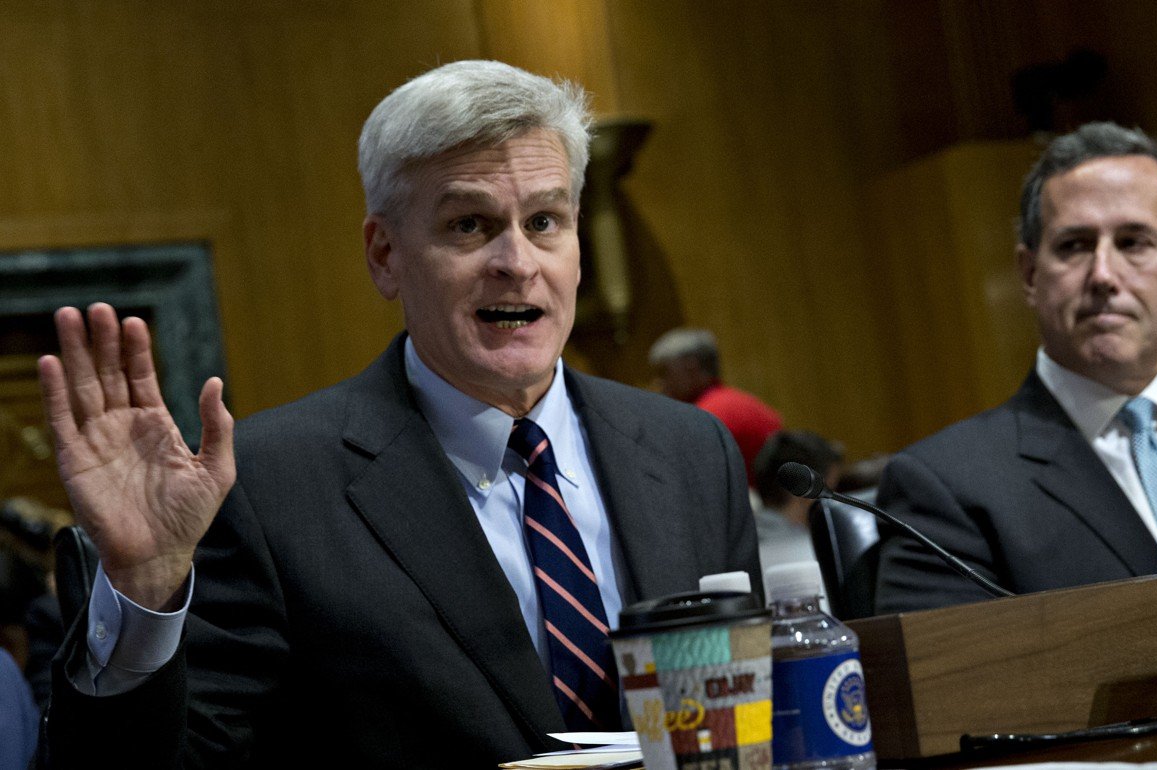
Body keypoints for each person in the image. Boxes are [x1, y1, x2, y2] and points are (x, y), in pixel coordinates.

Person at [37, 60, 759, 767]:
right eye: (470, 225)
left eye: (544, 220)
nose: (517, 261)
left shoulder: (691, 449)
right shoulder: (269, 486)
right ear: (385, 254)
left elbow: (752, 722)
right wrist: (144, 591)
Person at [873, 122, 1157, 615]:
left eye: (1133, 242)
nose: (1104, 275)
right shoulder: (949, 489)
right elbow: (947, 686)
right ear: (1028, 275)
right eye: (1074, 246)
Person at [649, 327, 783, 486]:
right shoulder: (745, 401)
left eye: (664, 372)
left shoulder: (705, 417)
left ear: (691, 367)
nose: (659, 383)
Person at [751, 430, 843, 573]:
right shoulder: (807, 553)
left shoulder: (742, 542)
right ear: (804, 488)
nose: (833, 500)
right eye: (830, 489)